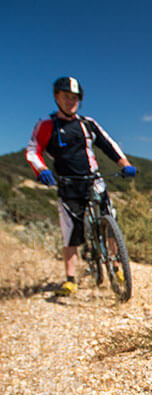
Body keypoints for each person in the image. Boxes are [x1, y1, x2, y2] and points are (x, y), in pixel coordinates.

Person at [26, 76, 137, 296]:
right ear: (57, 97)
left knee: (109, 220)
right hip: (68, 185)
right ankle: (70, 279)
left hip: (94, 180)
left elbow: (108, 144)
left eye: (75, 98)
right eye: (66, 97)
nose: (71, 101)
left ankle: (116, 265)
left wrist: (125, 164)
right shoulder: (47, 125)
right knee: (71, 231)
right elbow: (33, 151)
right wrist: (42, 170)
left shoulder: (87, 124)